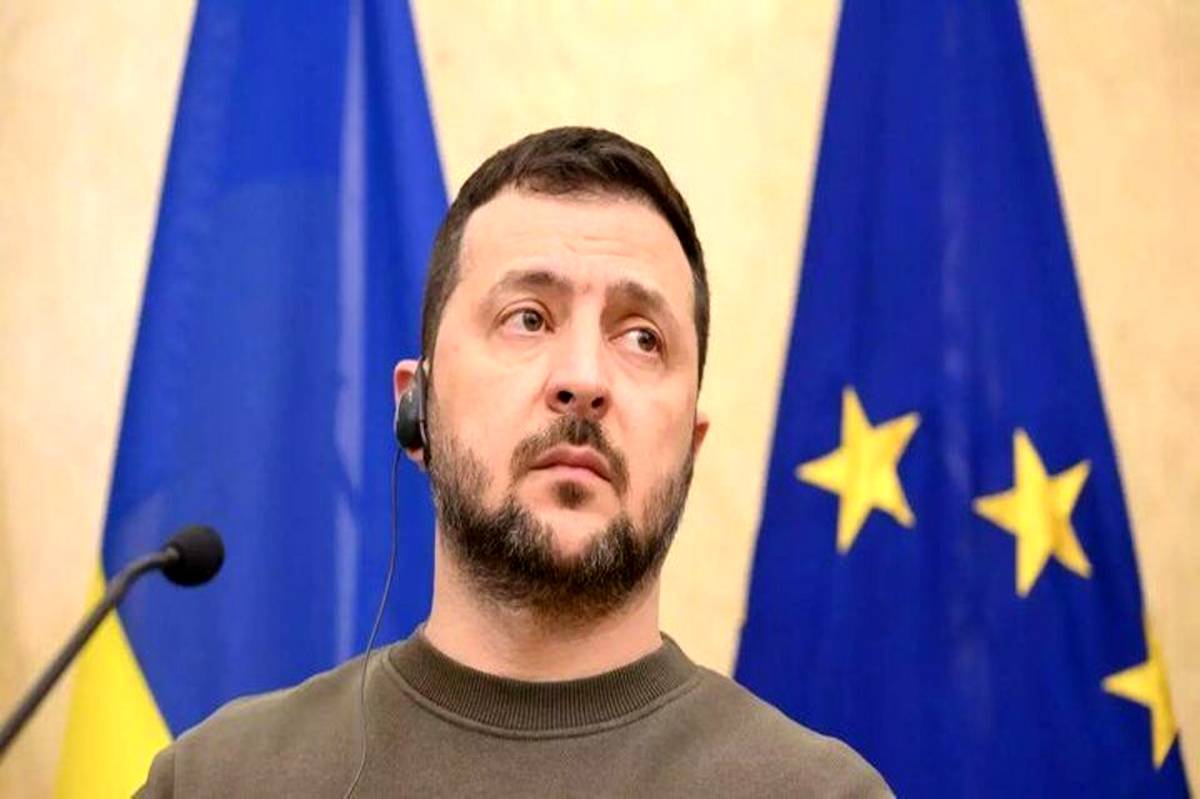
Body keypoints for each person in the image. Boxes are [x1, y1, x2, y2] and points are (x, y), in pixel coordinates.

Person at [137, 127, 891, 797]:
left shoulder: (824, 794)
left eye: (641, 338)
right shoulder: (216, 782)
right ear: (417, 408)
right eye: (527, 318)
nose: (584, 379)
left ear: (689, 446)